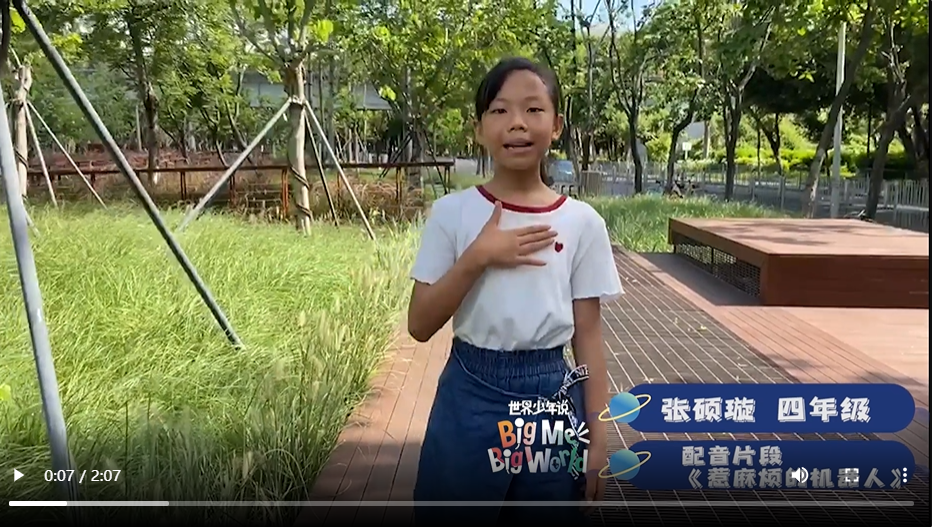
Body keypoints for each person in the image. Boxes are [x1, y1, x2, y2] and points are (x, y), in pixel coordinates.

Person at [407, 57, 623, 525]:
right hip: (470, 392)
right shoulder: (452, 213)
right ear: (479, 128)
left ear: (557, 125)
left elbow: (588, 335)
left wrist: (598, 435)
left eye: (533, 109)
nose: (518, 123)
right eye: (500, 110)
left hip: (551, 397)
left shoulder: (582, 222)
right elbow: (420, 324)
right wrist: (478, 257)